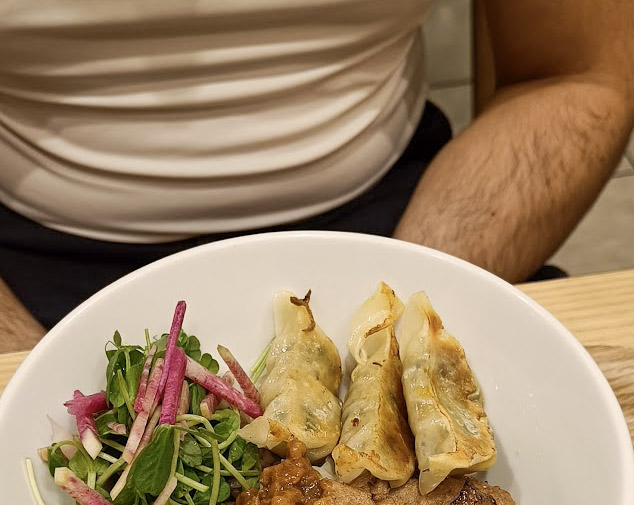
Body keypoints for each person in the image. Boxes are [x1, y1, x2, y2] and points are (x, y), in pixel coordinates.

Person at [0, 0, 632, 351]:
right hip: (40, 257)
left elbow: (576, 74)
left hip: (410, 216)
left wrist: (399, 319)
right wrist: (22, 365)